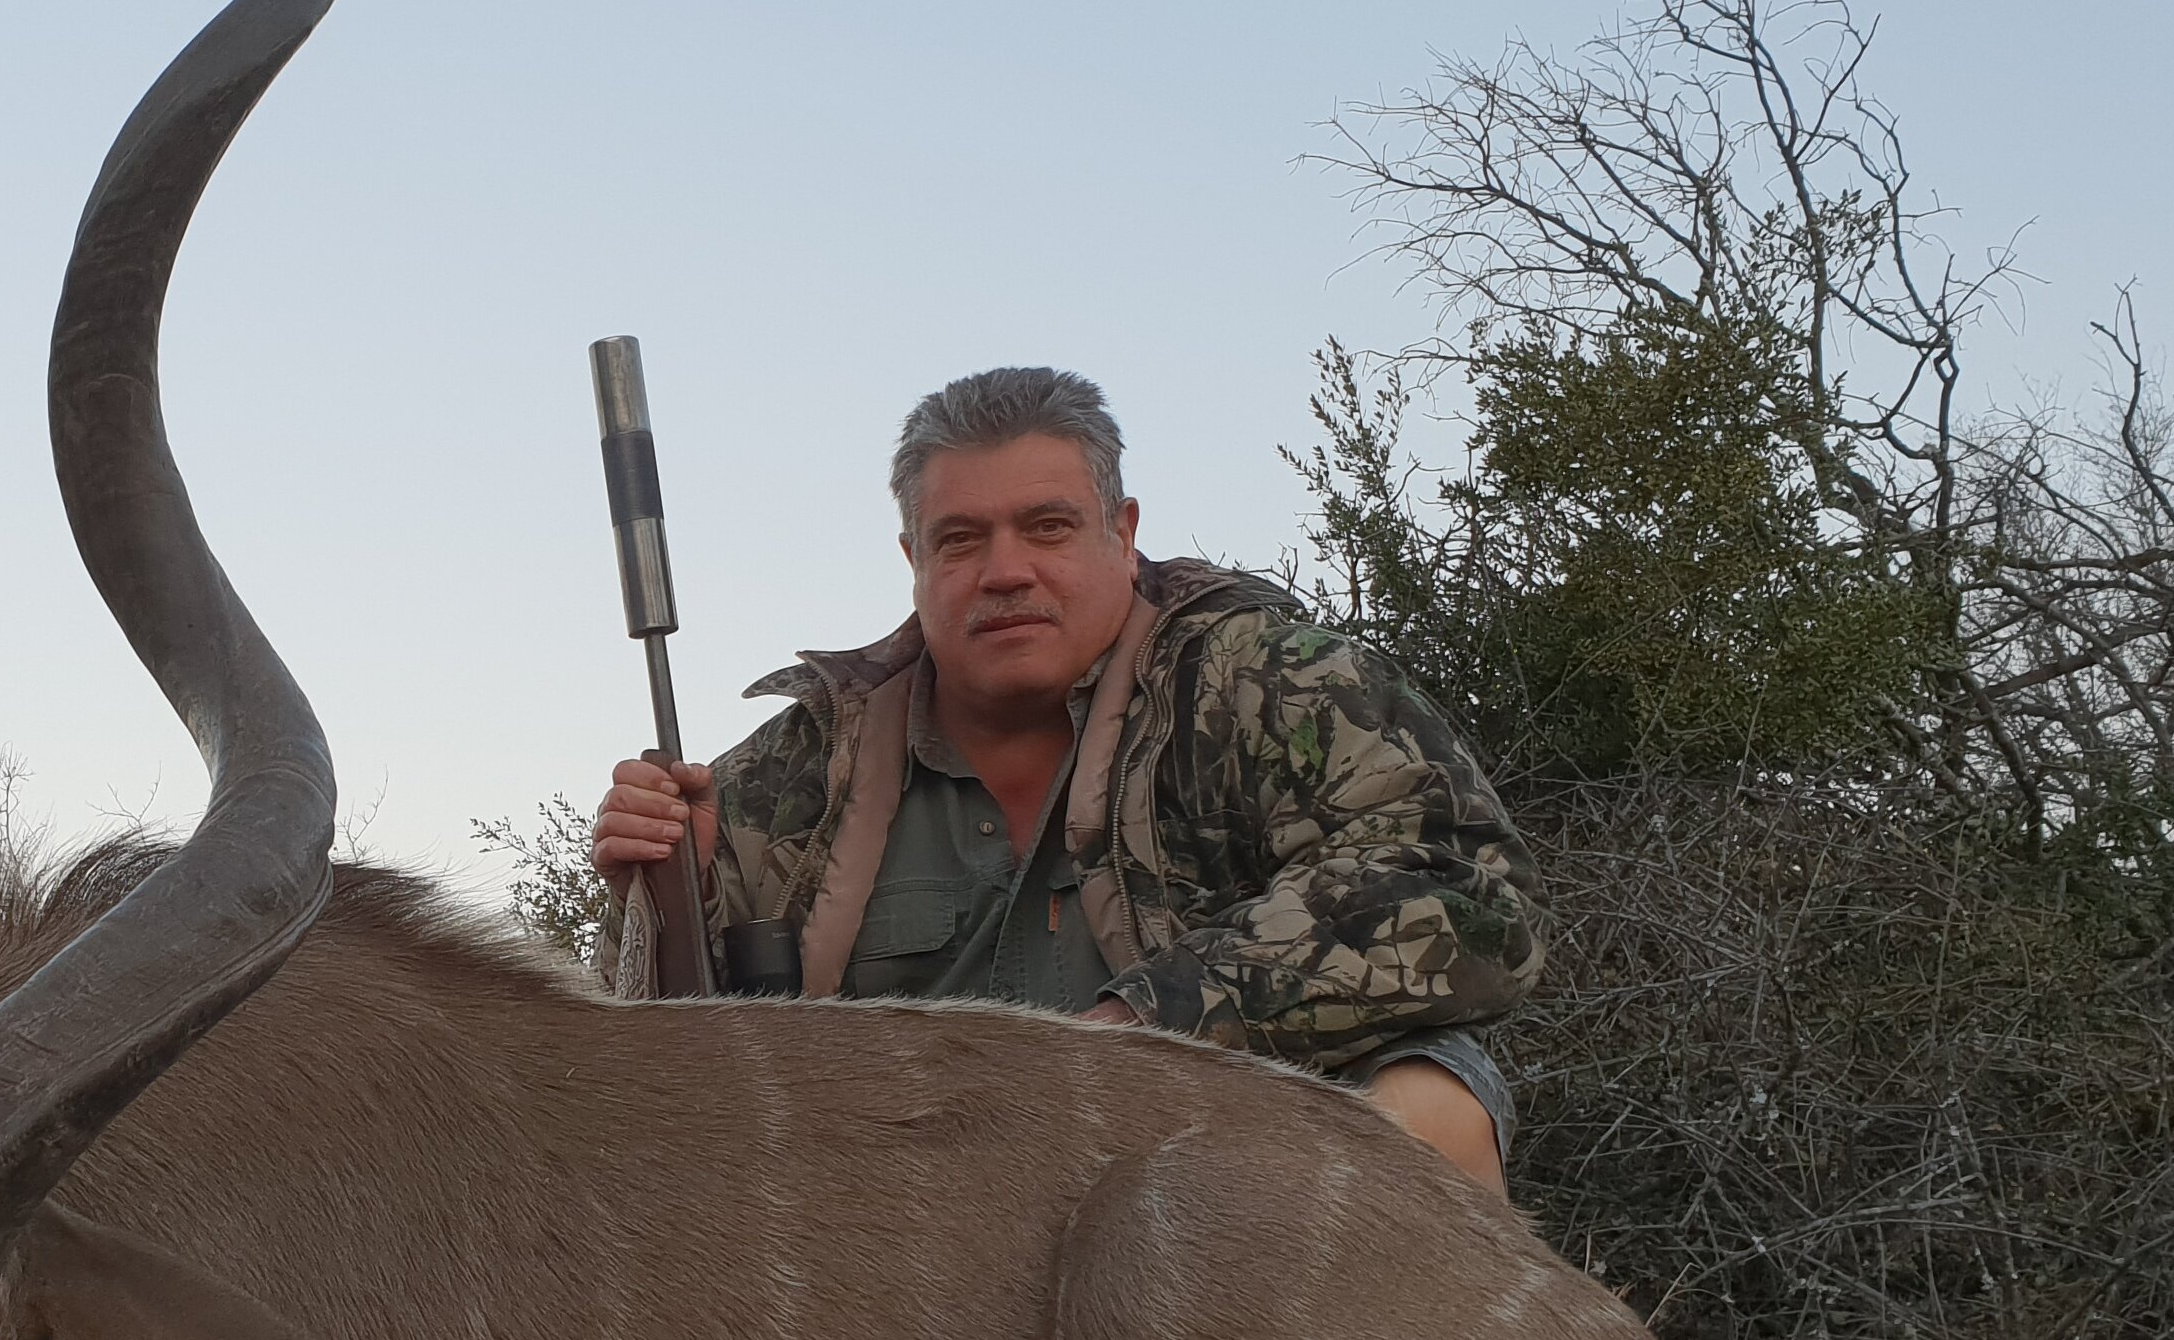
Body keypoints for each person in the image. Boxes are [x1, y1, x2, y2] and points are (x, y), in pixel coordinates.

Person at [591, 366, 1539, 1189]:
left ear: (1121, 532)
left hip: (1224, 1159)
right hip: (897, 1199)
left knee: (1432, 1114)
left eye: (1046, 527)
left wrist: (1134, 1031)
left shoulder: (1273, 682)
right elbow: (665, 1067)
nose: (1006, 571)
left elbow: (1465, 893)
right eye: (960, 539)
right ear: (912, 560)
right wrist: (673, 898)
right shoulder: (789, 767)